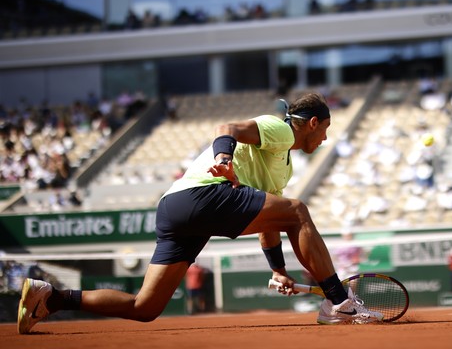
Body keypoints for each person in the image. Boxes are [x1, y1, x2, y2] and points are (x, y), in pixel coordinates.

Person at [17, 92, 383, 334]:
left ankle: (51, 297)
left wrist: (277, 269)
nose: (323, 140)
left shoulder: (282, 168)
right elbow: (227, 129)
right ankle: (339, 301)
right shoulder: (282, 129)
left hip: (175, 208)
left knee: (145, 306)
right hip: (204, 194)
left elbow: (270, 222)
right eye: (325, 131)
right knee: (299, 211)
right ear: (313, 123)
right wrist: (224, 159)